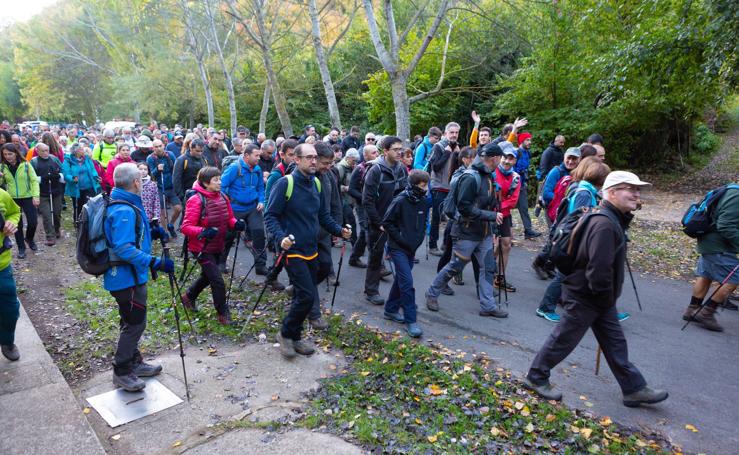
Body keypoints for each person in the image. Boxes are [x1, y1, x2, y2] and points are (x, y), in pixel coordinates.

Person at [525, 171, 668, 408]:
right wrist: (604, 298)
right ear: (611, 192)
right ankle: (536, 377)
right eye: (629, 188)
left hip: (598, 297)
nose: (636, 193)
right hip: (587, 295)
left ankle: (633, 388)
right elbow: (598, 270)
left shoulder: (608, 218)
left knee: (615, 341)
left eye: (637, 189)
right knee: (564, 338)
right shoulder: (604, 224)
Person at [264, 144, 351, 358]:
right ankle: (285, 334)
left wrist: (339, 230)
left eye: (315, 158)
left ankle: (296, 336)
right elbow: (270, 215)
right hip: (292, 249)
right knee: (306, 295)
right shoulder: (286, 183)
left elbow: (323, 216)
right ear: (297, 159)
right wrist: (280, 237)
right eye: (309, 157)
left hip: (311, 249)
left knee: (303, 296)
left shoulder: (317, 184)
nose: (313, 161)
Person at [104, 162, 169, 392]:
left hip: (131, 275)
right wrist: (155, 262)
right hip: (125, 278)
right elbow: (123, 247)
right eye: (140, 179)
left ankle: (134, 362)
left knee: (130, 320)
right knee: (135, 323)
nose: (142, 182)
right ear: (134, 183)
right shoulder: (123, 209)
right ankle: (122, 371)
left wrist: (153, 232)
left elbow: (134, 234)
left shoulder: (127, 201)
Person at [425, 143, 508, 318]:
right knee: (455, 266)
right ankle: (432, 293)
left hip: (483, 232)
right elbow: (464, 207)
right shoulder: (471, 177)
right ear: (494, 158)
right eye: (501, 158)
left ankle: (487, 305)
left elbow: (486, 204)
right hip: (466, 232)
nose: (502, 161)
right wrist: (491, 216)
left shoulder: (488, 176)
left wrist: (492, 223)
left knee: (488, 267)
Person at [535, 157, 611, 322]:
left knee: (570, 275)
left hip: (575, 239)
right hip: (574, 240)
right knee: (563, 275)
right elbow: (579, 218)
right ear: (600, 179)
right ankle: (545, 307)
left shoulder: (585, 189)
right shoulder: (584, 193)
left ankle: (599, 310)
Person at [180, 167, 243, 324]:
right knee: (217, 280)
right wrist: (204, 231)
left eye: (219, 178)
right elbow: (185, 227)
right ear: (206, 183)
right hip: (201, 248)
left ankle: (188, 297)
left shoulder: (222, 196)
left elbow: (229, 218)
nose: (219, 182)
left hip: (218, 244)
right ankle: (223, 314)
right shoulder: (196, 200)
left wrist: (236, 224)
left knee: (208, 276)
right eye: (216, 180)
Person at [682, 183, 739, 332]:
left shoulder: (730, 189)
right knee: (734, 279)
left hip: (709, 241)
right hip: (718, 245)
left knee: (706, 275)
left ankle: (692, 309)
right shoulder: (737, 196)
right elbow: (725, 225)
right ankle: (706, 313)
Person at [382, 170, 430, 337]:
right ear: (413, 185)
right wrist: (401, 239)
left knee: (402, 280)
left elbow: (424, 223)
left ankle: (390, 309)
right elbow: (387, 222)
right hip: (397, 247)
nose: (426, 189)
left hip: (411, 248)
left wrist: (417, 240)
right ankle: (411, 320)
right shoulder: (400, 200)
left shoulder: (424, 201)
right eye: (423, 185)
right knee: (407, 283)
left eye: (427, 185)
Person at [363, 137, 409, 306]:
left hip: (395, 222)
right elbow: (367, 200)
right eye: (396, 149)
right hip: (378, 222)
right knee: (376, 258)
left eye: (400, 149)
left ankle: (401, 295)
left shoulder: (402, 168)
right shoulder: (375, 171)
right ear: (385, 151)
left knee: (401, 258)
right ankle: (371, 291)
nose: (400, 152)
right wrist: (378, 223)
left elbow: (404, 194)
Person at [221, 144, 268, 275]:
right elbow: (222, 187)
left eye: (259, 155)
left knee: (259, 233)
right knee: (229, 236)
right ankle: (221, 263)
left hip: (253, 207)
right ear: (247, 156)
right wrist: (225, 205)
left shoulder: (257, 169)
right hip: (235, 208)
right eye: (256, 155)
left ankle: (260, 266)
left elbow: (260, 188)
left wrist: (261, 200)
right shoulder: (234, 168)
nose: (259, 158)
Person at [0, 144, 39, 258]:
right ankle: (21, 247)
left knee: (33, 222)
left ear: (16, 153)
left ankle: (29, 239)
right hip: (12, 198)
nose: (8, 156)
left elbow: (34, 181)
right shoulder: (2, 167)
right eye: (5, 154)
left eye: (10, 154)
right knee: (16, 224)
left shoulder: (26, 164)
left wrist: (35, 196)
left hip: (27, 197)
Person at [427, 122, 461, 256]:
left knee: (453, 218)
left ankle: (445, 243)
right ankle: (432, 246)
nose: (454, 135)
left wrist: (457, 155)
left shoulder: (457, 148)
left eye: (456, 132)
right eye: (451, 132)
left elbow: (459, 169)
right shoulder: (439, 146)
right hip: (438, 187)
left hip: (452, 188)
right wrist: (447, 153)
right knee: (436, 218)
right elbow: (435, 167)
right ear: (445, 133)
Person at [494, 142, 522, 293]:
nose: (507, 161)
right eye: (505, 157)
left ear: (514, 161)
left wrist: (500, 207)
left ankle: (499, 277)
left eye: (511, 159)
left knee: (506, 244)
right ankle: (485, 272)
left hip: (504, 214)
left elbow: (513, 200)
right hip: (489, 213)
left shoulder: (516, 178)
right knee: (493, 246)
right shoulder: (492, 172)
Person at [348, 144, 379, 268]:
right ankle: (377, 265)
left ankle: (354, 258)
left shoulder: (378, 167)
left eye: (377, 152)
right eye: (373, 153)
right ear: (365, 155)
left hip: (373, 205)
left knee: (364, 232)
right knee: (367, 230)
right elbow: (351, 189)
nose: (377, 155)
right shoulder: (359, 169)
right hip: (362, 205)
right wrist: (365, 198)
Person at [0, 188, 21, 361]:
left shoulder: (2, 195)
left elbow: (15, 211)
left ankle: (7, 341)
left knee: (10, 308)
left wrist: (11, 222)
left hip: (2, 265)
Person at [31, 143, 64, 245]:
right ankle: (50, 236)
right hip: (42, 193)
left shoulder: (54, 159)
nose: (45, 153)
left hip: (56, 191)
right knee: (46, 215)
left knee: (57, 213)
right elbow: (31, 176)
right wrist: (39, 179)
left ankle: (57, 229)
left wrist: (59, 175)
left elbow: (62, 169)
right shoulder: (34, 162)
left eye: (47, 150)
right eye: (42, 151)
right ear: (37, 151)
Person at [147, 139, 181, 235]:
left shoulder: (170, 155)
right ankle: (165, 232)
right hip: (159, 187)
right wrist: (157, 169)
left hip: (171, 186)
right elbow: (151, 174)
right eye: (156, 147)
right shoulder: (151, 158)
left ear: (163, 145)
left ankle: (171, 224)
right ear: (153, 148)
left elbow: (176, 168)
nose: (158, 148)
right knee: (162, 211)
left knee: (178, 208)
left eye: (160, 146)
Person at [542, 147, 581, 226]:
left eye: (574, 159)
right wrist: (564, 201)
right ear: (564, 157)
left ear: (580, 160)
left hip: (570, 212)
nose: (570, 162)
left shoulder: (580, 174)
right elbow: (546, 193)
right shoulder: (556, 172)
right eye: (568, 158)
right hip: (554, 211)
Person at [514, 132, 541, 239]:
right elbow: (511, 167)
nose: (530, 142)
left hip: (522, 185)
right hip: (513, 184)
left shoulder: (528, 153)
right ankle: (504, 232)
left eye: (530, 140)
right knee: (504, 208)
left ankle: (528, 231)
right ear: (521, 141)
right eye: (527, 140)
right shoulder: (516, 153)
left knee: (524, 208)